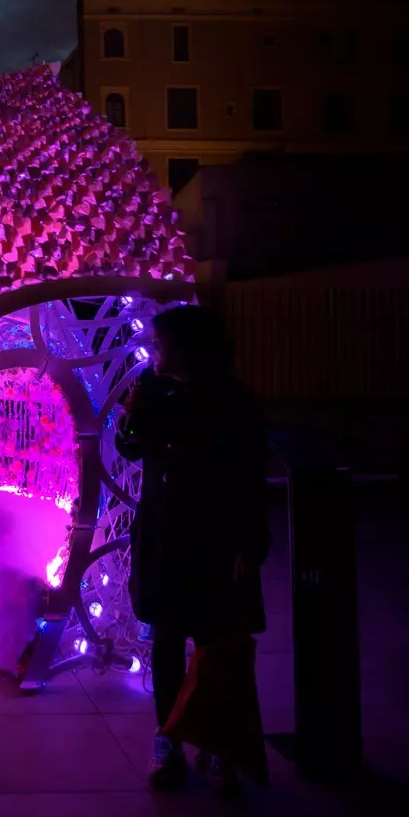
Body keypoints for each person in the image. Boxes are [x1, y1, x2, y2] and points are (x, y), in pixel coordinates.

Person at [116, 305, 270, 792]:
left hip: (215, 536)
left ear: (184, 347)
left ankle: (215, 741)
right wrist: (132, 419)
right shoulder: (155, 390)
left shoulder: (232, 400)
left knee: (215, 640)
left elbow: (250, 476)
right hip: (165, 532)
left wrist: (249, 540)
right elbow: (131, 448)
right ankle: (168, 735)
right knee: (166, 639)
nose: (154, 351)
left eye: (160, 343)